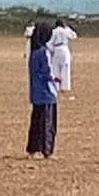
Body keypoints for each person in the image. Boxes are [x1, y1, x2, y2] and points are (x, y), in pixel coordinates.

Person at [26, 22, 60, 158]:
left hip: (36, 92)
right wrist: (56, 79)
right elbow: (47, 72)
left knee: (36, 121)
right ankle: (47, 150)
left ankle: (33, 148)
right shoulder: (44, 52)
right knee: (47, 122)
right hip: (46, 92)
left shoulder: (33, 52)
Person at [49, 18, 78, 92]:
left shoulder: (54, 31)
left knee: (55, 68)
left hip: (56, 48)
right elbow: (74, 36)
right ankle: (65, 86)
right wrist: (69, 28)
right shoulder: (66, 30)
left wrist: (51, 51)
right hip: (64, 48)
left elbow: (50, 42)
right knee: (65, 67)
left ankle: (56, 86)